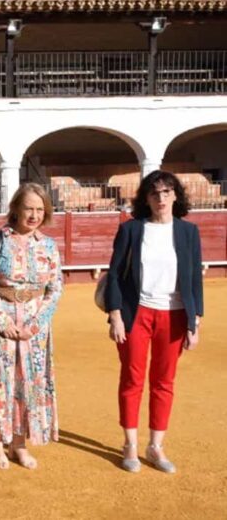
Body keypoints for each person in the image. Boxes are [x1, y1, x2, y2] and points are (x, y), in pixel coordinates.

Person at [105, 170, 203, 474]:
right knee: (132, 379)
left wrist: (194, 321)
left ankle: (156, 446)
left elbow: (193, 279)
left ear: (175, 195)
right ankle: (130, 445)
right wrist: (115, 315)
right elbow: (115, 275)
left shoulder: (189, 232)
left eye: (166, 192)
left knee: (164, 382)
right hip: (138, 313)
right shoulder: (133, 229)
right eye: (154, 193)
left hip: (174, 316)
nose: (160, 198)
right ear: (146, 198)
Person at [0, 183, 63, 470]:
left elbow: (56, 287)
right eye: (29, 208)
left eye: (40, 209)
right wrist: (2, 320)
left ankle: (20, 443)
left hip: (35, 325)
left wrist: (36, 324)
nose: (34, 215)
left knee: (29, 383)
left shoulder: (48, 245)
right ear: (16, 209)